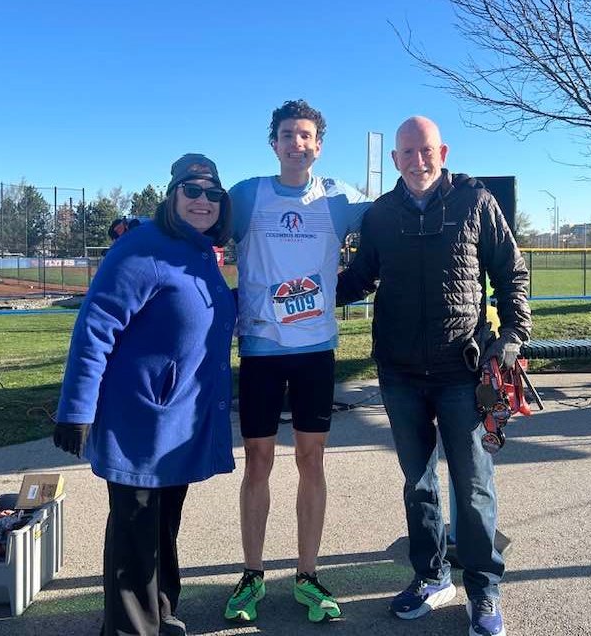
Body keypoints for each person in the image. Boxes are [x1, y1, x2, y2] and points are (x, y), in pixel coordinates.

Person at [336, 116, 531, 636]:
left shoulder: (475, 202)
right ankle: (430, 576)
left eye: (426, 150)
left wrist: (511, 336)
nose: (417, 160)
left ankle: (484, 590)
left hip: (461, 372)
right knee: (418, 484)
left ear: (441, 151)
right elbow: (359, 279)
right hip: (399, 374)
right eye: (407, 152)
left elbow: (512, 271)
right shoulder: (380, 216)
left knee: (472, 487)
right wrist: (303, 288)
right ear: (395, 160)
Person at [53, 154, 236, 636]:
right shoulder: (142, 248)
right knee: (135, 537)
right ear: (172, 195)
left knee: (161, 529)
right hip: (139, 421)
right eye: (191, 191)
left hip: (175, 422)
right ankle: (131, 629)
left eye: (212, 193)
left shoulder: (197, 252)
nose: (202, 201)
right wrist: (76, 408)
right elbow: (96, 325)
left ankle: (161, 614)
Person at [223, 99, 370, 623]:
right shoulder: (246, 195)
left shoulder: (340, 198)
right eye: (288, 135)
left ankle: (308, 574)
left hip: (315, 351)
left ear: (319, 145)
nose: (297, 143)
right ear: (274, 143)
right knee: (257, 462)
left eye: (306, 135)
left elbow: (387, 231)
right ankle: (252, 574)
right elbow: (198, 232)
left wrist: (350, 287)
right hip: (261, 350)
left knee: (312, 461)